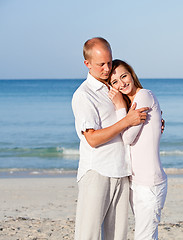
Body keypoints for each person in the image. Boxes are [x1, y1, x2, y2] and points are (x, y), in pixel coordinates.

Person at [71, 37, 149, 240]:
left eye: (109, 61)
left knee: (117, 237)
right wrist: (127, 121)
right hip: (97, 172)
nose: (107, 68)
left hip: (122, 171)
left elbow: (133, 114)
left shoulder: (114, 87)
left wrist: (154, 123)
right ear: (87, 64)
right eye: (101, 64)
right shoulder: (84, 95)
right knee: (87, 235)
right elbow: (93, 139)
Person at [108, 59, 168, 240]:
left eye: (124, 76)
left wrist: (119, 106)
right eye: (114, 82)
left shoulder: (144, 96)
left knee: (145, 236)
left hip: (150, 184)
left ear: (132, 74)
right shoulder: (131, 105)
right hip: (136, 182)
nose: (121, 83)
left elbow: (127, 137)